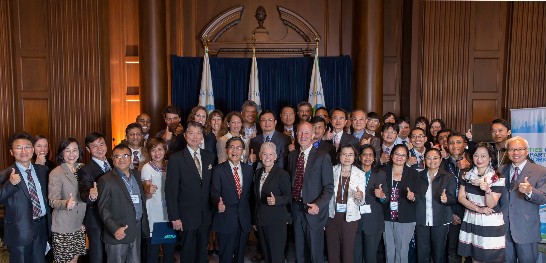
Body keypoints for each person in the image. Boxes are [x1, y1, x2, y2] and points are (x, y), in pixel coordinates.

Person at [165, 122, 215, 262]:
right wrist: (174, 216)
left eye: (198, 133)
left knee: (203, 253)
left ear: (202, 137)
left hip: (205, 214)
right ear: (186, 136)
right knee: (187, 253)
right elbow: (171, 191)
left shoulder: (209, 156)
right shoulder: (176, 158)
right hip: (186, 216)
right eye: (191, 133)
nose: (195, 136)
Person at [0, 132, 50, 263]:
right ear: (11, 152)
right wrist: (10, 184)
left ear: (33, 150)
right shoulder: (5, 174)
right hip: (18, 231)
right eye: (18, 147)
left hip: (42, 227)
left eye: (27, 147)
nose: (23, 151)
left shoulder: (42, 170)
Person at [288, 122, 334, 263]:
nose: (303, 136)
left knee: (315, 255)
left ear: (313, 135)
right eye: (300, 133)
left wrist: (318, 205)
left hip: (313, 210)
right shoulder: (292, 156)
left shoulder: (322, 156)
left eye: (307, 133)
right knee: (299, 253)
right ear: (296, 135)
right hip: (296, 209)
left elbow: (329, 188)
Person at [98, 144, 150, 262]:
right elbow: (103, 209)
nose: (122, 159)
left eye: (125, 155)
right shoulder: (105, 180)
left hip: (136, 230)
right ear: (113, 159)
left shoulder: (137, 175)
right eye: (117, 156)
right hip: (118, 231)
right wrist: (115, 228)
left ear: (131, 158)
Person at [500, 136, 546, 263]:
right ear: (507, 151)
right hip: (503, 229)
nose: (516, 153)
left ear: (527, 151)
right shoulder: (500, 170)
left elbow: (543, 197)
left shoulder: (540, 171)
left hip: (526, 229)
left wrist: (530, 191)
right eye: (512, 149)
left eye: (520, 149)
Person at [458, 142, 505, 262]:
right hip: (472, 218)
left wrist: (487, 190)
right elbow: (461, 197)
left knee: (490, 257)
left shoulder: (497, 177)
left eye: (483, 156)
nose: (479, 159)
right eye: (476, 155)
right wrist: (478, 209)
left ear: (490, 157)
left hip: (489, 221)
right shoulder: (466, 175)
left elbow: (491, 204)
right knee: (475, 257)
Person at [211, 137, 253, 263]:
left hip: (243, 219)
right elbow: (214, 192)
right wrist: (217, 202)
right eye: (231, 147)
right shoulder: (218, 170)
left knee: (240, 255)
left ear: (243, 152)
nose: (235, 150)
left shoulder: (248, 169)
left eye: (238, 148)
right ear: (226, 150)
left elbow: (250, 194)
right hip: (226, 219)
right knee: (226, 255)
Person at [414, 148, 457, 263]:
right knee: (422, 253)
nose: (432, 161)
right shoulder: (418, 176)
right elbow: (416, 197)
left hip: (441, 220)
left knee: (438, 254)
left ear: (441, 159)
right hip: (421, 220)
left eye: (435, 158)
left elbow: (453, 198)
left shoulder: (448, 177)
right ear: (424, 160)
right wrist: (412, 197)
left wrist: (446, 199)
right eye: (428, 158)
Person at [48, 137, 87, 263]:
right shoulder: (56, 172)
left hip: (78, 224)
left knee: (75, 260)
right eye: (67, 150)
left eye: (74, 150)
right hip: (63, 226)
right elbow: (52, 200)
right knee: (65, 261)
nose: (71, 154)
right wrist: (66, 203)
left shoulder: (82, 169)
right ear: (61, 153)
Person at [378, 144, 418, 263]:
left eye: (403, 155)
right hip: (386, 215)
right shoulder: (383, 172)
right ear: (392, 155)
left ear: (407, 157)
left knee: (402, 250)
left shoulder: (413, 173)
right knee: (389, 249)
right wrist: (381, 196)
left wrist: (413, 196)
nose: (399, 157)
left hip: (406, 216)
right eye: (397, 154)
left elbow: (419, 195)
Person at [326, 144, 366, 263]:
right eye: (344, 154)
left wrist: (360, 197)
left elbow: (361, 201)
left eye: (350, 154)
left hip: (350, 218)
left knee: (347, 252)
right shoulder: (332, 170)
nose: (347, 157)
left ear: (355, 157)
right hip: (332, 215)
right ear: (339, 156)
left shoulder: (360, 174)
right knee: (332, 251)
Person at [252, 142, 291, 263]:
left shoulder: (282, 174)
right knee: (266, 254)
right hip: (261, 221)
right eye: (264, 154)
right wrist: (255, 220)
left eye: (270, 154)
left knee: (276, 256)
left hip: (276, 222)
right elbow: (256, 199)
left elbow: (289, 197)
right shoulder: (258, 173)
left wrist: (277, 200)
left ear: (275, 156)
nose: (267, 157)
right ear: (260, 156)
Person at [140, 137, 175, 263]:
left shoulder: (171, 165)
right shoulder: (146, 168)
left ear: (165, 150)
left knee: (169, 252)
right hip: (153, 216)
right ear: (149, 152)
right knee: (152, 252)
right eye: (153, 150)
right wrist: (148, 190)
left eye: (160, 149)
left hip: (168, 216)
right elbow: (146, 191)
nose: (157, 153)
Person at [77, 132, 111, 263]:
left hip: (113, 217)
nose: (99, 149)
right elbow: (84, 193)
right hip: (95, 218)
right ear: (88, 149)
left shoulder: (114, 164)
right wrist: (91, 196)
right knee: (97, 254)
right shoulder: (85, 170)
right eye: (94, 146)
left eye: (101, 144)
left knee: (112, 253)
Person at [354, 144, 387, 263]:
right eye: (364, 155)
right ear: (359, 157)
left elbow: (386, 197)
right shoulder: (353, 172)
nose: (367, 157)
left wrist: (382, 196)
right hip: (355, 220)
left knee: (370, 257)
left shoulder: (381, 174)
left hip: (373, 221)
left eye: (370, 155)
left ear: (374, 158)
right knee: (355, 256)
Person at [442, 133, 471, 263]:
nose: (455, 146)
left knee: (472, 249)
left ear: (464, 144)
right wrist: (450, 213)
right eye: (452, 143)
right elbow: (438, 190)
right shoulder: (442, 164)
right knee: (452, 249)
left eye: (458, 142)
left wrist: (469, 167)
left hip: (471, 212)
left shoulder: (475, 161)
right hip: (451, 211)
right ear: (447, 145)